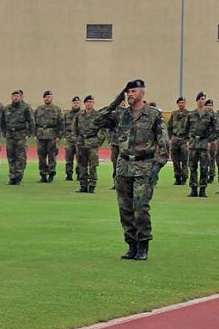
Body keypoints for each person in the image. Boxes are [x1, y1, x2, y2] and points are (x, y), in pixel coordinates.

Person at [95, 79, 169, 261]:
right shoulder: (121, 114)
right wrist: (115, 100)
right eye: (128, 92)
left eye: (133, 91)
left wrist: (157, 167)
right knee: (125, 209)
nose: (130, 95)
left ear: (143, 93)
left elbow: (164, 143)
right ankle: (131, 245)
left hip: (144, 167)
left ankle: (143, 245)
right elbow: (97, 120)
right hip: (124, 167)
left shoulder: (153, 115)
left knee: (140, 208)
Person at [2, 90, 35, 185]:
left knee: (20, 157)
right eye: (14, 96)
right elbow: (2, 122)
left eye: (17, 96)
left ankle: (18, 177)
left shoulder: (25, 108)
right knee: (11, 157)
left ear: (20, 97)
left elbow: (31, 121)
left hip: (20, 135)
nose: (16, 97)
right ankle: (12, 177)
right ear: (11, 97)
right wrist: (4, 133)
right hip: (10, 136)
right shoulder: (7, 108)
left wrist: (29, 133)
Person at [186, 95, 216, 198]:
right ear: (196, 101)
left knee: (204, 167)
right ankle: (193, 188)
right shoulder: (191, 114)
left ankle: (203, 188)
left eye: (203, 99)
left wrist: (210, 141)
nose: (201, 101)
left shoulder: (210, 115)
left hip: (204, 143)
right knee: (192, 167)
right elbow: (186, 128)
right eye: (199, 99)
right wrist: (187, 140)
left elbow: (214, 129)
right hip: (194, 142)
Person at [73, 95, 103, 193]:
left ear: (93, 103)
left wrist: (98, 141)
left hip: (92, 144)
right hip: (81, 144)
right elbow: (75, 128)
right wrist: (77, 140)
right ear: (84, 103)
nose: (89, 104)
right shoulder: (79, 115)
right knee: (82, 166)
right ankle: (83, 186)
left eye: (90, 102)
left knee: (93, 166)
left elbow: (102, 130)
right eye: (87, 102)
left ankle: (92, 185)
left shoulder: (98, 115)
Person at [34, 90, 63, 183]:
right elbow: (34, 123)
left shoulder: (57, 109)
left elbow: (61, 123)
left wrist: (59, 136)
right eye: (46, 97)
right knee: (41, 157)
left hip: (52, 136)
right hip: (41, 136)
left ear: (52, 98)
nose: (47, 98)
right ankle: (43, 174)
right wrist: (35, 134)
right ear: (43, 98)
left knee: (52, 156)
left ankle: (51, 174)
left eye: (49, 97)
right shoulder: (38, 109)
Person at [167, 96, 189, 185]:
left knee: (184, 160)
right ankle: (177, 177)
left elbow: (191, 127)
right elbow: (169, 126)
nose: (181, 104)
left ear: (185, 103)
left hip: (184, 139)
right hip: (175, 139)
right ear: (177, 104)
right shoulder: (174, 114)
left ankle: (184, 177)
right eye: (179, 102)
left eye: (183, 102)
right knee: (175, 160)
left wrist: (189, 139)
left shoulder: (189, 114)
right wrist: (170, 138)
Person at [62, 96, 81, 181]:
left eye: (77, 103)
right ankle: (69, 175)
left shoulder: (82, 114)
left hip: (79, 140)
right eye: (74, 103)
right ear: (72, 104)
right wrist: (64, 136)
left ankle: (79, 174)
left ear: (80, 104)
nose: (75, 104)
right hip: (69, 140)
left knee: (80, 159)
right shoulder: (67, 114)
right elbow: (63, 126)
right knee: (68, 159)